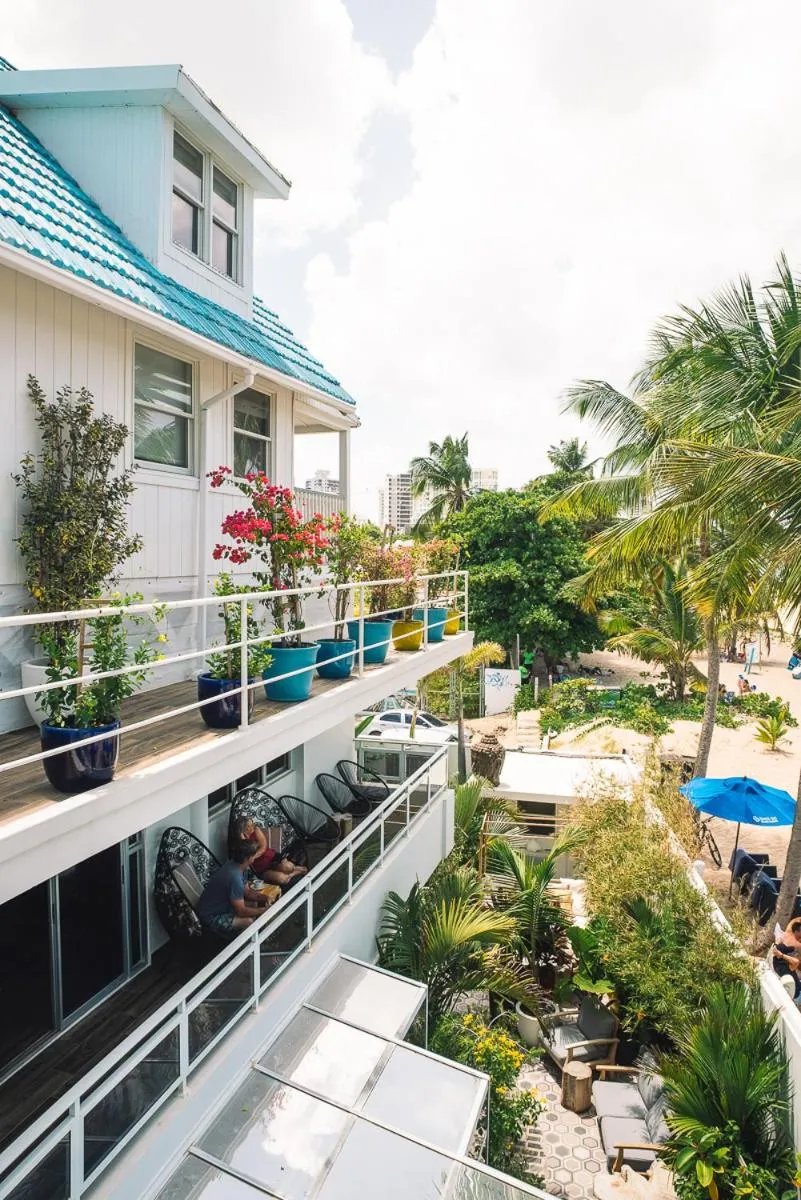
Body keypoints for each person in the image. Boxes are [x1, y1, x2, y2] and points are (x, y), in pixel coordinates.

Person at [196, 839, 276, 936]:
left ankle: (252, 932)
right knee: (248, 921)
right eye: (254, 854)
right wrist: (263, 911)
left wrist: (265, 897)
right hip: (210, 917)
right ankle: (243, 942)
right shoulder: (234, 877)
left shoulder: (237, 865)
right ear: (247, 858)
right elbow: (241, 911)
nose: (256, 856)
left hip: (223, 906)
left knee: (254, 903)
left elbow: (248, 892)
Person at [234, 815, 307, 888]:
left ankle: (298, 869)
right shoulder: (241, 842)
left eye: (252, 823)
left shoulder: (256, 830)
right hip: (261, 868)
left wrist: (252, 857)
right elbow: (245, 852)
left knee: (288, 867)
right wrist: (243, 839)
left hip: (271, 857)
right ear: (244, 828)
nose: (253, 826)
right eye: (250, 825)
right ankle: (296, 872)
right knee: (282, 879)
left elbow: (263, 847)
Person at [772, 917, 801, 1001]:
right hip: (797, 994)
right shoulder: (797, 946)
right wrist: (782, 955)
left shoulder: (777, 961)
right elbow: (796, 962)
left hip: (794, 986)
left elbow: (794, 922)